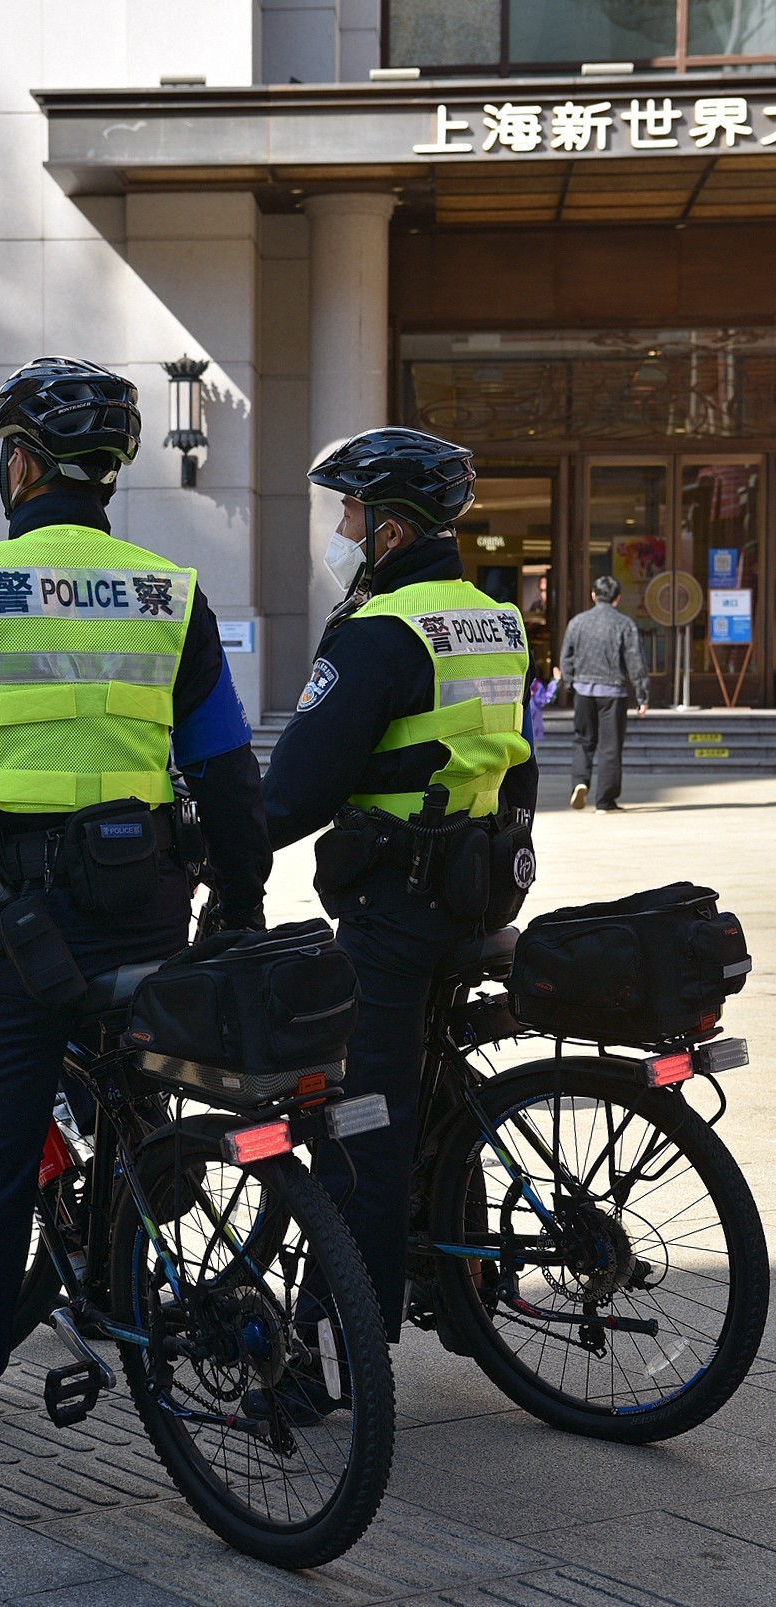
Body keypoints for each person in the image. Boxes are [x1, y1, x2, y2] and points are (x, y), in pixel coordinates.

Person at [0, 356, 271, 1543]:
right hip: (148, 907)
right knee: (144, 1112)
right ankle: (139, 1272)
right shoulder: (168, 591)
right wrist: (235, 906)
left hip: (23, 929)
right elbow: (227, 773)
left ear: (22, 462)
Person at [262, 427, 538, 1352]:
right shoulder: (495, 617)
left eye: (347, 511)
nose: (338, 528)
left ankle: (341, 1338)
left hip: (394, 907)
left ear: (388, 529)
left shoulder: (379, 632)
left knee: (360, 1126)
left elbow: (299, 787)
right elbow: (519, 764)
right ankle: (460, 1286)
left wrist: (218, 842)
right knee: (434, 1092)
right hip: (480, 890)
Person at [559, 574, 649, 813]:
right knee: (610, 747)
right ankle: (605, 802)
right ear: (617, 598)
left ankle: (579, 782)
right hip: (613, 692)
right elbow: (635, 660)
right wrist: (642, 695)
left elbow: (566, 657)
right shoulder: (624, 624)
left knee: (582, 740)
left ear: (593, 596)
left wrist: (570, 684)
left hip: (583, 690)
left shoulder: (577, 622)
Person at [529, 663, 561, 743]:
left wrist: (555, 682)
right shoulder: (535, 684)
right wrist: (555, 682)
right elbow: (545, 698)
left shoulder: (535, 684)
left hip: (529, 724)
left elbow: (544, 698)